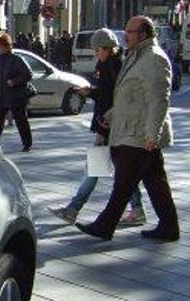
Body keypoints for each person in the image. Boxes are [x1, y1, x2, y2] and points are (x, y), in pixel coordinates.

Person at [76, 16, 180, 241]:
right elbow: (129, 96)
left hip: (140, 134)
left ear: (143, 34)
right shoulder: (136, 56)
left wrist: (153, 135)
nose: (125, 36)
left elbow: (159, 100)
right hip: (132, 128)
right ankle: (169, 227)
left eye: (129, 32)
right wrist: (111, 115)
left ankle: (104, 226)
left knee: (123, 183)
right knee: (155, 182)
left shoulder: (153, 59)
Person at [47, 28, 146, 226]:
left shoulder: (115, 66)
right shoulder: (107, 63)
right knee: (119, 171)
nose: (95, 53)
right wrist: (90, 91)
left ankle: (73, 209)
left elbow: (113, 99)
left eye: (97, 49)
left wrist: (101, 130)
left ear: (108, 48)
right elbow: (104, 93)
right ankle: (137, 209)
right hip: (107, 125)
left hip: (110, 126)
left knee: (97, 170)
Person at [0, 33, 33, 152]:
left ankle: (27, 144)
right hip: (0, 96)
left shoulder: (17, 60)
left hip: (15, 96)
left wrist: (14, 81)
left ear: (6, 46)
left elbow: (28, 74)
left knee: (21, 120)